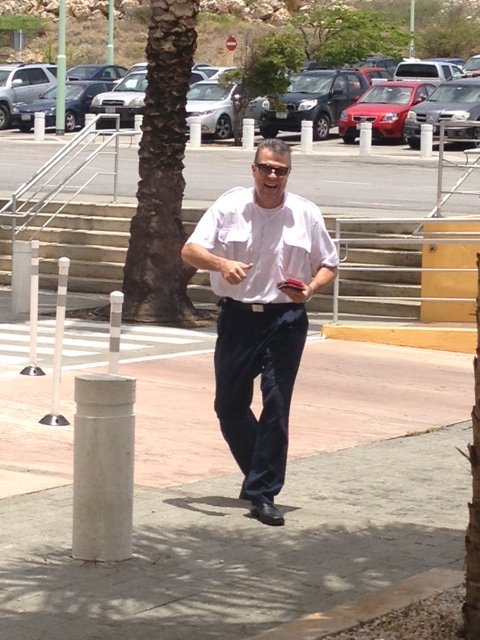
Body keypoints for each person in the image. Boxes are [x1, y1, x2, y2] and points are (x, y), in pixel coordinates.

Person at [181, 139, 338, 526]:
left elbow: (328, 264)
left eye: (280, 170)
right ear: (253, 169)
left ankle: (263, 493)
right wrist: (221, 264)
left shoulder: (305, 213)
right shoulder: (230, 206)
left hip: (285, 320)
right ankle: (258, 475)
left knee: (276, 403)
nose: (272, 176)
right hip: (238, 318)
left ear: (288, 174)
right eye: (266, 168)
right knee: (228, 406)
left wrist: (310, 289)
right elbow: (190, 251)